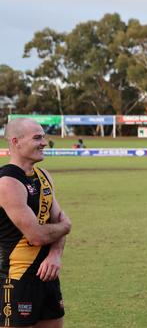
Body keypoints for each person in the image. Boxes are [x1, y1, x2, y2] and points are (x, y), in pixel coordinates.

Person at [0, 118, 72, 327]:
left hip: (48, 276)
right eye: (37, 137)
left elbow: (60, 221)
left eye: (44, 137)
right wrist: (64, 227)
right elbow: (38, 235)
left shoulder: (43, 176)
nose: (44, 142)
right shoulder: (7, 183)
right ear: (16, 141)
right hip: (17, 279)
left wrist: (55, 255)